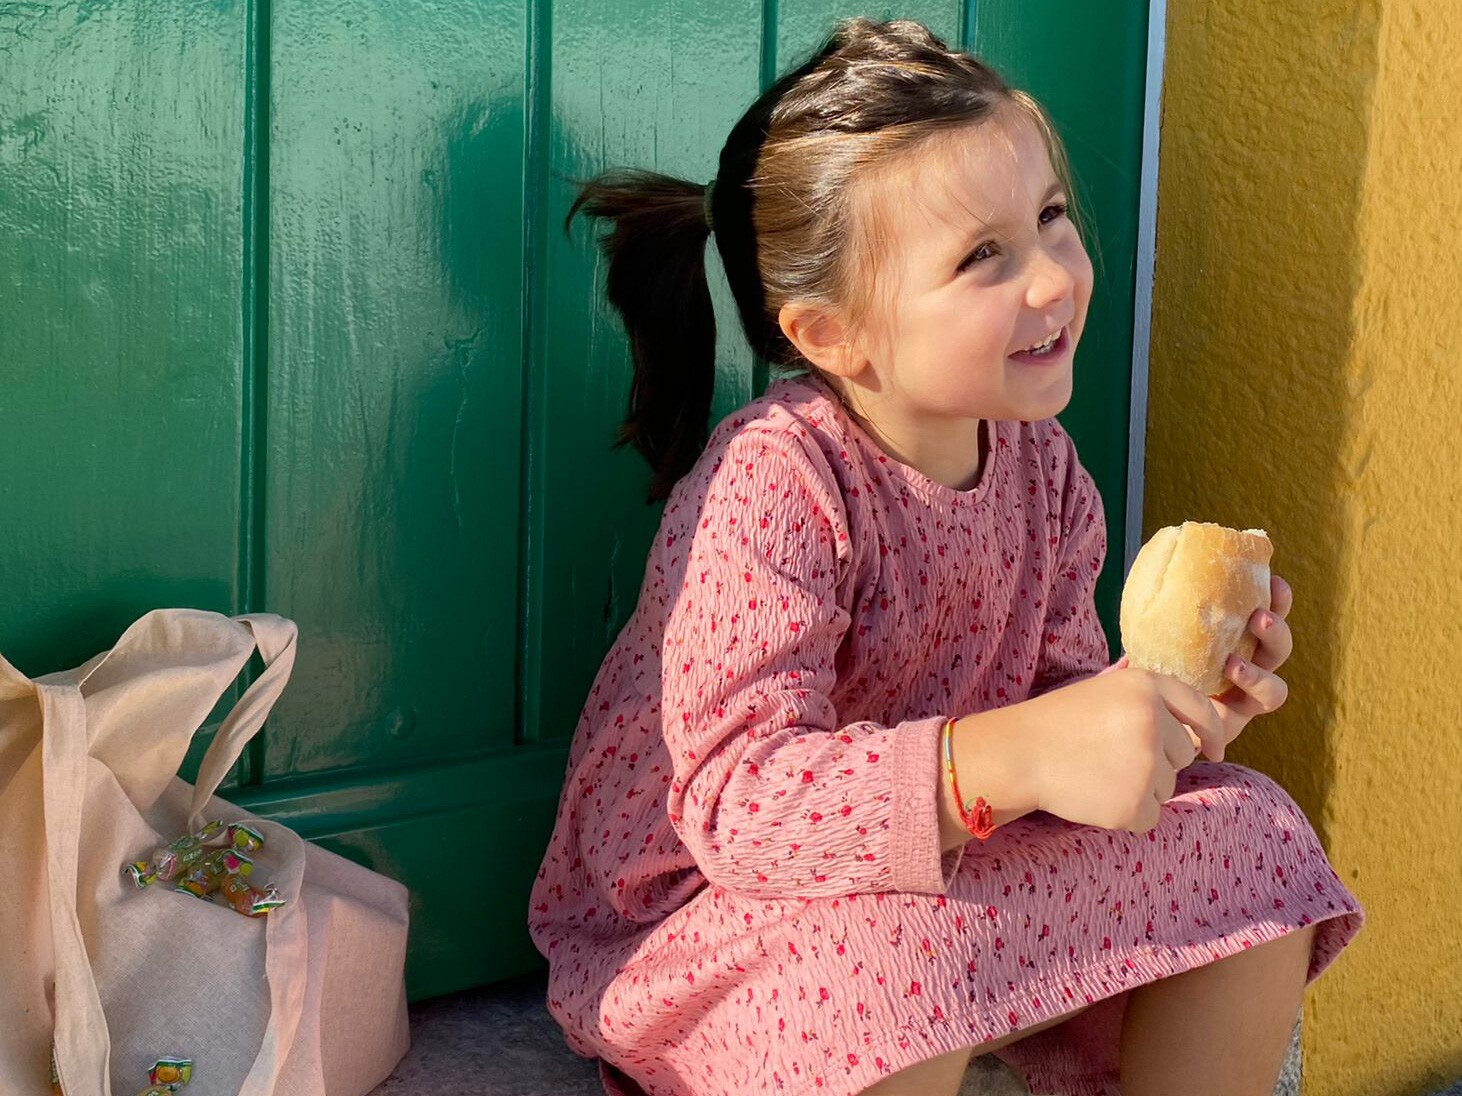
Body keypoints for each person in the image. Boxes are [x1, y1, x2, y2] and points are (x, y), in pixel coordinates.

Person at [526, 18, 1363, 1096]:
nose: (1054, 280)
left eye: (1051, 218)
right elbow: (744, 807)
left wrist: (1167, 718)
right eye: (984, 257)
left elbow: (1055, 716)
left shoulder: (1044, 472)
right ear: (832, 336)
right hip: (715, 922)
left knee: (1250, 833)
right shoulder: (776, 482)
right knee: (891, 977)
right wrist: (1009, 757)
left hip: (940, 867)